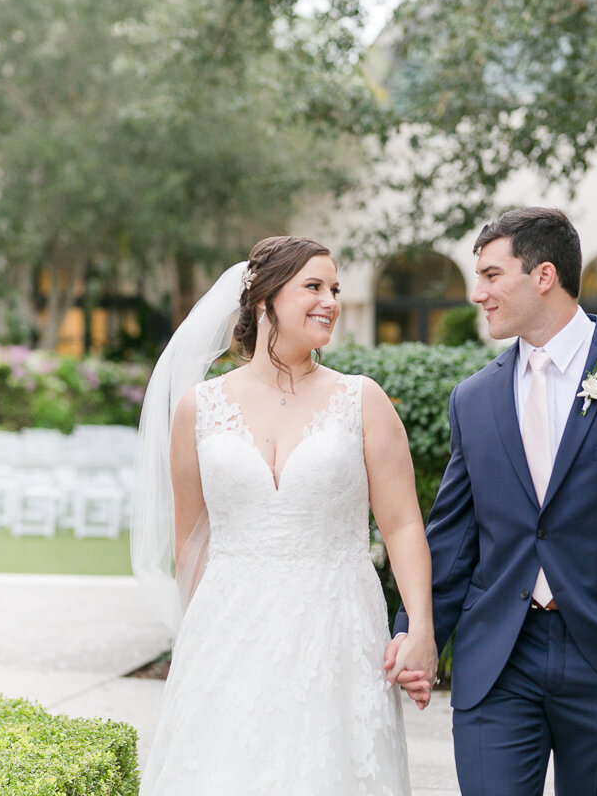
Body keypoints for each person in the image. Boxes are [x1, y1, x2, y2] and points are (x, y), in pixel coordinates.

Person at [387, 208, 597, 796]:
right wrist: (418, 631)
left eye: (492, 276)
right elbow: (454, 535)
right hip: (498, 656)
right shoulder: (473, 399)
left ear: (543, 275)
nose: (477, 294)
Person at [134, 236, 438, 795]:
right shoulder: (199, 408)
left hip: (338, 629)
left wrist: (420, 628)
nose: (331, 302)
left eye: (335, 289)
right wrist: (198, 644)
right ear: (263, 300)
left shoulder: (362, 400)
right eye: (313, 287)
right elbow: (190, 544)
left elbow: (401, 526)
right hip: (229, 630)